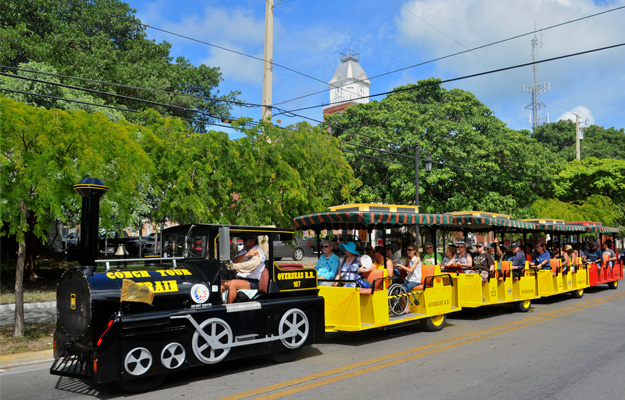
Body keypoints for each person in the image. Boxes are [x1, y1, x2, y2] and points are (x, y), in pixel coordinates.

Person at [221, 233, 266, 304]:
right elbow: (234, 261)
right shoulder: (245, 251)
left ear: (253, 240)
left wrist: (234, 266)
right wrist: (246, 255)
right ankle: (218, 305)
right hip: (241, 279)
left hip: (252, 281)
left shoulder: (258, 252)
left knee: (233, 284)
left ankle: (227, 308)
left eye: (245, 240)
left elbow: (251, 266)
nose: (243, 242)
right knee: (220, 284)